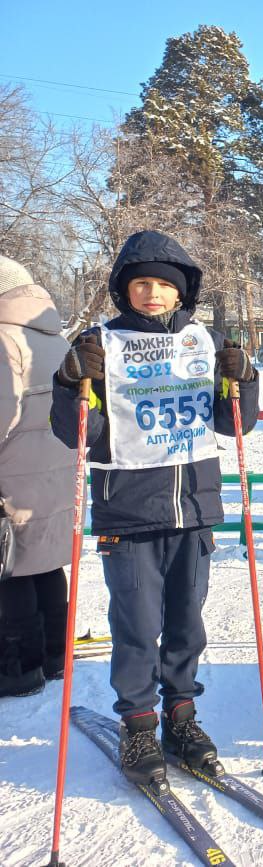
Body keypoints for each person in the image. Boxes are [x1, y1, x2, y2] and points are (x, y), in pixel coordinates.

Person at [50, 231, 259, 785]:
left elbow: (233, 419)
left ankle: (181, 717)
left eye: (164, 285)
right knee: (138, 625)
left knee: (188, 624)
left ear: (181, 291)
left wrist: (243, 378)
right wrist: (75, 379)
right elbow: (81, 435)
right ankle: (138, 723)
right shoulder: (101, 343)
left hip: (193, 508)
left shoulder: (202, 341)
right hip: (128, 512)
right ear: (124, 288)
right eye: (141, 283)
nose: (152, 293)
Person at [0, 256, 75, 698]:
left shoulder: (3, 338)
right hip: (52, 467)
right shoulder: (53, 336)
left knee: (9, 571)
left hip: (12, 468)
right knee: (44, 563)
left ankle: (17, 667)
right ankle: (53, 654)